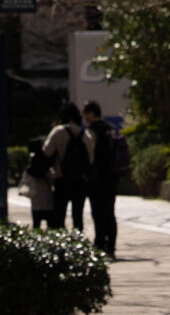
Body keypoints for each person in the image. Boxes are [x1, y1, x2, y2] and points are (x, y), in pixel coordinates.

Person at [82, 101, 128, 259]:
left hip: (97, 179)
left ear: (91, 113)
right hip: (112, 177)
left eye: (85, 114)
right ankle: (111, 247)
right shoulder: (111, 129)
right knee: (110, 212)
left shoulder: (91, 131)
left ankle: (100, 244)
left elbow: (89, 156)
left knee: (97, 213)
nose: (84, 117)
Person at [42, 102, 95, 231]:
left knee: (59, 216)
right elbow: (91, 159)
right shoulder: (85, 134)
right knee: (78, 216)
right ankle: (79, 244)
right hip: (80, 181)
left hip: (61, 179)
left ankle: (60, 245)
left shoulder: (58, 131)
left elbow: (46, 151)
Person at [18, 136, 55, 229]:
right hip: (48, 201)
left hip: (36, 202)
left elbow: (24, 183)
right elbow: (52, 179)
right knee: (50, 226)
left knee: (36, 225)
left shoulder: (30, 170)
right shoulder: (46, 168)